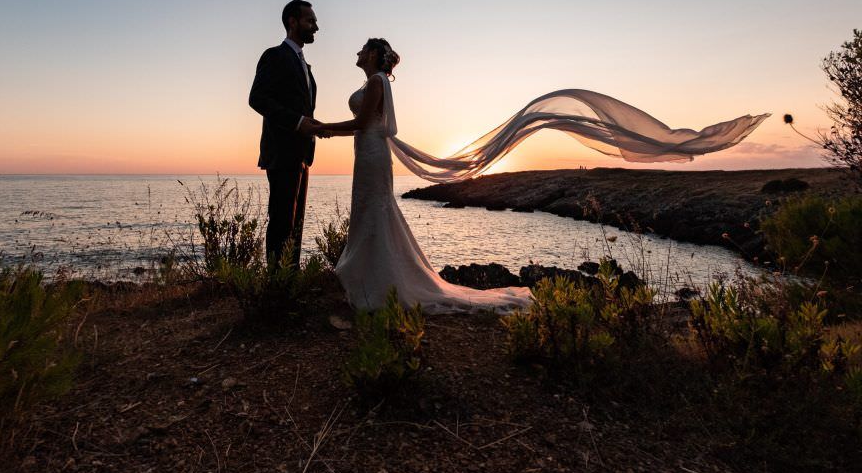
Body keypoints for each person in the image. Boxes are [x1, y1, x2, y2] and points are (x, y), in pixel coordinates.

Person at [308, 38, 769, 313]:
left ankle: (375, 281)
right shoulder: (377, 82)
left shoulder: (374, 83)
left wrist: (317, 129)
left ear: (374, 55)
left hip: (369, 153)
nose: (357, 51)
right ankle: (369, 273)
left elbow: (363, 124)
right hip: (368, 156)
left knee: (374, 209)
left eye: (362, 47)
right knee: (373, 209)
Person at [248, 0, 320, 269]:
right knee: (281, 223)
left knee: (296, 225)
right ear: (293, 21)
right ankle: (276, 286)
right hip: (281, 153)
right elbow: (257, 98)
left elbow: (302, 108)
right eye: (310, 20)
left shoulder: (306, 67)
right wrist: (297, 122)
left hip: (303, 154)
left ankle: (290, 282)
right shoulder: (274, 56)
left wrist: (312, 126)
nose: (316, 26)